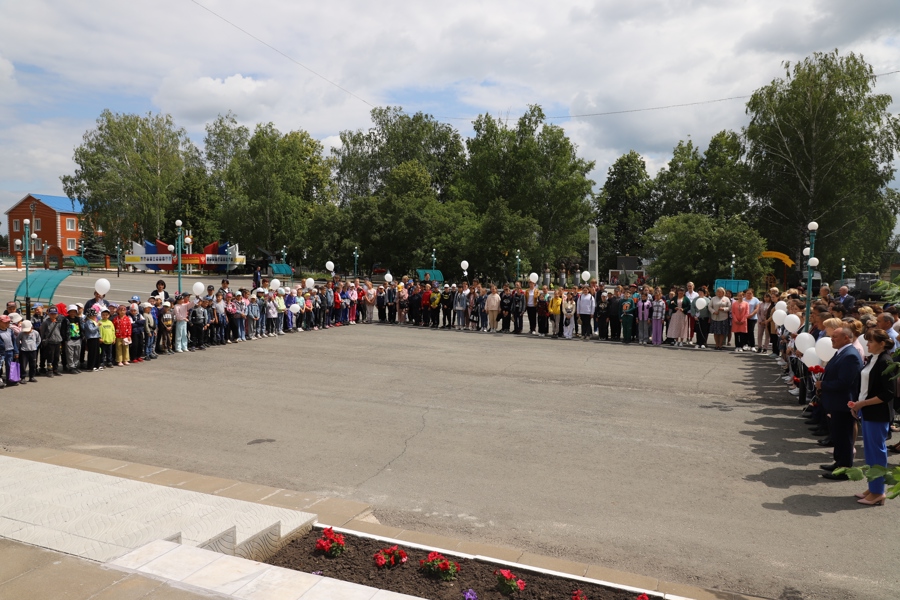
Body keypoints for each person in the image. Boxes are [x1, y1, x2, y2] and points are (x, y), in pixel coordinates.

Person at [847, 328, 894, 505]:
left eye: (871, 341)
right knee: (870, 453)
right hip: (867, 411)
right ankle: (873, 486)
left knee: (877, 453)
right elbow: (866, 386)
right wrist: (857, 405)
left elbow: (887, 393)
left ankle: (878, 492)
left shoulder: (885, 361)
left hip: (877, 414)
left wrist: (863, 404)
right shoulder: (874, 359)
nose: (867, 344)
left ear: (882, 344)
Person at [815, 326, 864, 479]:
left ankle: (844, 468)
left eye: (835, 337)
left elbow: (844, 382)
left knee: (844, 437)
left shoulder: (850, 356)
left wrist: (823, 385)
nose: (831, 339)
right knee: (838, 435)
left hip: (843, 403)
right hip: (836, 402)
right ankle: (839, 462)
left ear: (846, 338)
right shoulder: (841, 352)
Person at [39, 307, 63, 377]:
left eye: (55, 314)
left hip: (58, 341)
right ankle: (50, 370)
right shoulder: (45, 322)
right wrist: (42, 341)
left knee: (56, 357)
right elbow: (42, 332)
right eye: (51, 314)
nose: (53, 315)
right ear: (48, 314)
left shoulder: (58, 322)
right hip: (50, 342)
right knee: (50, 357)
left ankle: (55, 369)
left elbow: (60, 331)